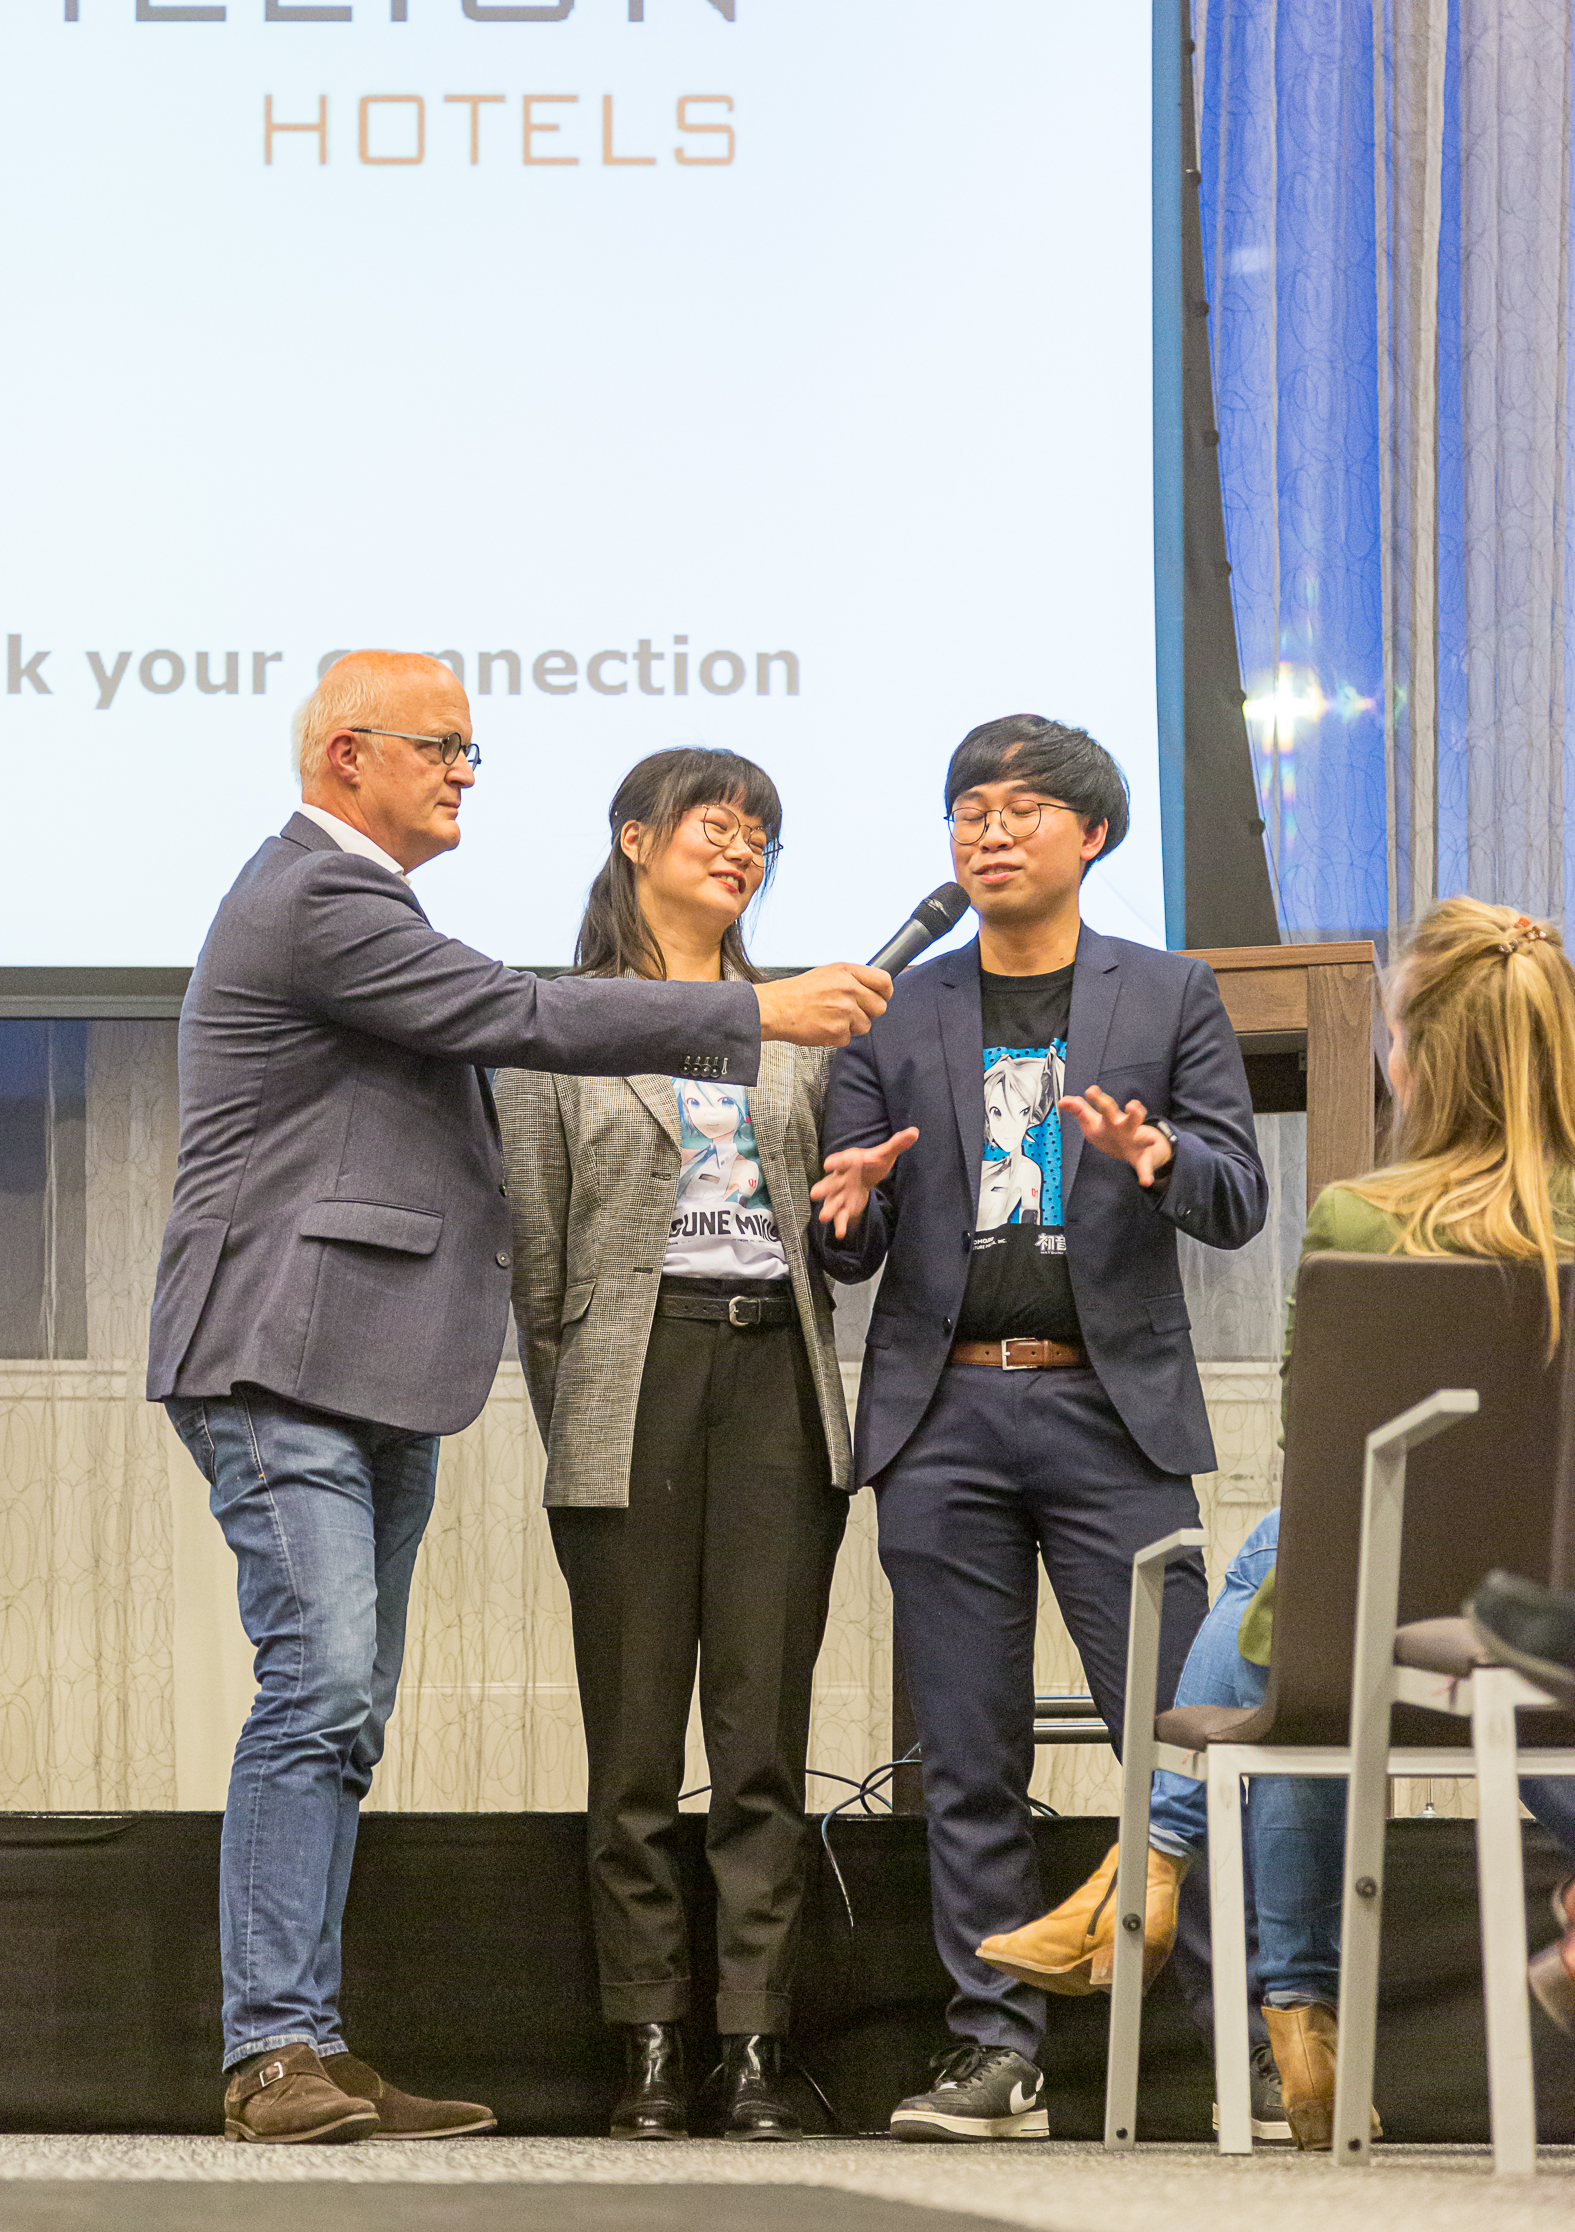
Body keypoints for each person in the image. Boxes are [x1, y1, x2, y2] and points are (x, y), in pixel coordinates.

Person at [147, 652, 892, 2145]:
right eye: (442, 747)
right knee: (320, 1689)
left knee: (345, 1710)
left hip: (370, 1365)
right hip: (280, 1353)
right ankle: (270, 2048)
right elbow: (517, 1015)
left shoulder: (372, 906)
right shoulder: (317, 892)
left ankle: (309, 2036)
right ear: (348, 754)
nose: (464, 774)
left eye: (470, 751)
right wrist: (753, 1014)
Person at [991, 896, 1575, 2147]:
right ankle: (1187, 1908)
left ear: (1419, 1059)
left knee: (1294, 1560)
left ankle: (1191, 1909)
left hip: (1389, 1649)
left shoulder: (1367, 1220)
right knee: (1301, 1565)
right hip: (1552, 1656)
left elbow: (1328, 1467)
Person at [809, 713, 1268, 2141]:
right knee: (969, 1754)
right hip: (942, 1414)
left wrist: (1159, 1153)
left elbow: (1239, 1197)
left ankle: (1245, 2045)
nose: (987, 832)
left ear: (1092, 834)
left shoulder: (1168, 991)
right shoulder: (897, 1007)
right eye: (968, 810)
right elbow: (847, 1233)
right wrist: (848, 1210)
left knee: (1180, 1737)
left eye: (1018, 809)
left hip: (1109, 1412)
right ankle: (994, 2052)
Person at [499, 748, 853, 2142]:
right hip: (630, 1380)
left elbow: (833, 1230)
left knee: (761, 1739)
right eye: (716, 821)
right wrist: (589, 1416)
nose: (742, 846)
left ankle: (753, 2045)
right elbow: (540, 1274)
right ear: (635, 839)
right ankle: (648, 2044)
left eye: (762, 830)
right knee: (635, 1748)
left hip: (777, 1379)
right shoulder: (553, 1024)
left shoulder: (802, 1029)